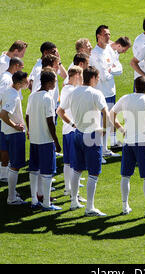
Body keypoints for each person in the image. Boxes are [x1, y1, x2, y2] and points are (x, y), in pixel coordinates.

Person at [59, 66, 109, 216]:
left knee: (77, 169)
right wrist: (104, 130)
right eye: (97, 77)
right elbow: (105, 112)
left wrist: (73, 124)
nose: (98, 80)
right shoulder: (96, 93)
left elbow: (60, 112)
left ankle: (74, 201)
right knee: (93, 173)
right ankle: (90, 207)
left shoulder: (73, 92)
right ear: (92, 78)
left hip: (77, 133)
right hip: (92, 136)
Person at [110, 76, 145, 217]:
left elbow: (111, 114)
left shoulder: (125, 98)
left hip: (128, 142)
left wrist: (121, 130)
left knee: (125, 175)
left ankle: (125, 206)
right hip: (143, 143)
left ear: (135, 86)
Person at [26, 70, 62, 211]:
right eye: (54, 81)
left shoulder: (32, 96)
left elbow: (27, 115)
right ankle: (47, 203)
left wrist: (30, 130)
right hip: (45, 140)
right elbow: (50, 122)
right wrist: (56, 142)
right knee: (47, 172)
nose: (55, 83)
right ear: (48, 82)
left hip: (34, 139)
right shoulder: (48, 98)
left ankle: (34, 201)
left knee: (34, 170)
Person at [91, 28, 129, 158]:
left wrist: (110, 70)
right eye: (105, 34)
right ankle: (98, 153)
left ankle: (105, 149)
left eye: (109, 34)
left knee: (108, 122)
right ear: (98, 36)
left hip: (111, 91)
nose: (108, 37)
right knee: (100, 124)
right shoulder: (95, 54)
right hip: (101, 93)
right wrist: (111, 70)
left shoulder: (109, 50)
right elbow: (103, 76)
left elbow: (119, 68)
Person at [56, 66, 87, 203]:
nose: (82, 79)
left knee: (68, 162)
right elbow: (60, 111)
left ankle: (68, 189)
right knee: (75, 164)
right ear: (76, 76)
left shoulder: (66, 89)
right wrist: (73, 124)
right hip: (73, 131)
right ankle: (74, 194)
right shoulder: (72, 91)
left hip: (67, 130)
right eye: (81, 76)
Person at [0, 71, 29, 205]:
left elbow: (0, 102)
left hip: (7, 132)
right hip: (14, 134)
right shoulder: (13, 96)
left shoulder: (9, 91)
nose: (27, 83)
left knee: (13, 164)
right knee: (15, 166)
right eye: (25, 82)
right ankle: (11, 197)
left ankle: (12, 193)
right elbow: (3, 114)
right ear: (18, 83)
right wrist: (16, 126)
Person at [0, 57, 24, 182]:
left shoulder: (6, 76)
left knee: (6, 145)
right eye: (21, 67)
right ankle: (4, 173)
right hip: (6, 118)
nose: (22, 70)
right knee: (5, 146)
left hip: (6, 116)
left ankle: (4, 170)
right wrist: (4, 108)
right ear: (16, 66)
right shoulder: (7, 79)